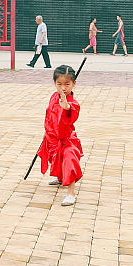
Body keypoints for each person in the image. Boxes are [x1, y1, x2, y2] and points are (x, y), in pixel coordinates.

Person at [37, 65, 84, 206]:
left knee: (69, 160)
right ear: (54, 83)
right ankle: (59, 177)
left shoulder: (72, 103)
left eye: (67, 84)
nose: (63, 88)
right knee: (55, 158)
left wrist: (66, 107)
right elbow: (49, 115)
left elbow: (72, 112)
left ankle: (71, 193)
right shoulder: (53, 96)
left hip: (66, 139)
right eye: (59, 84)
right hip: (52, 136)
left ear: (74, 84)